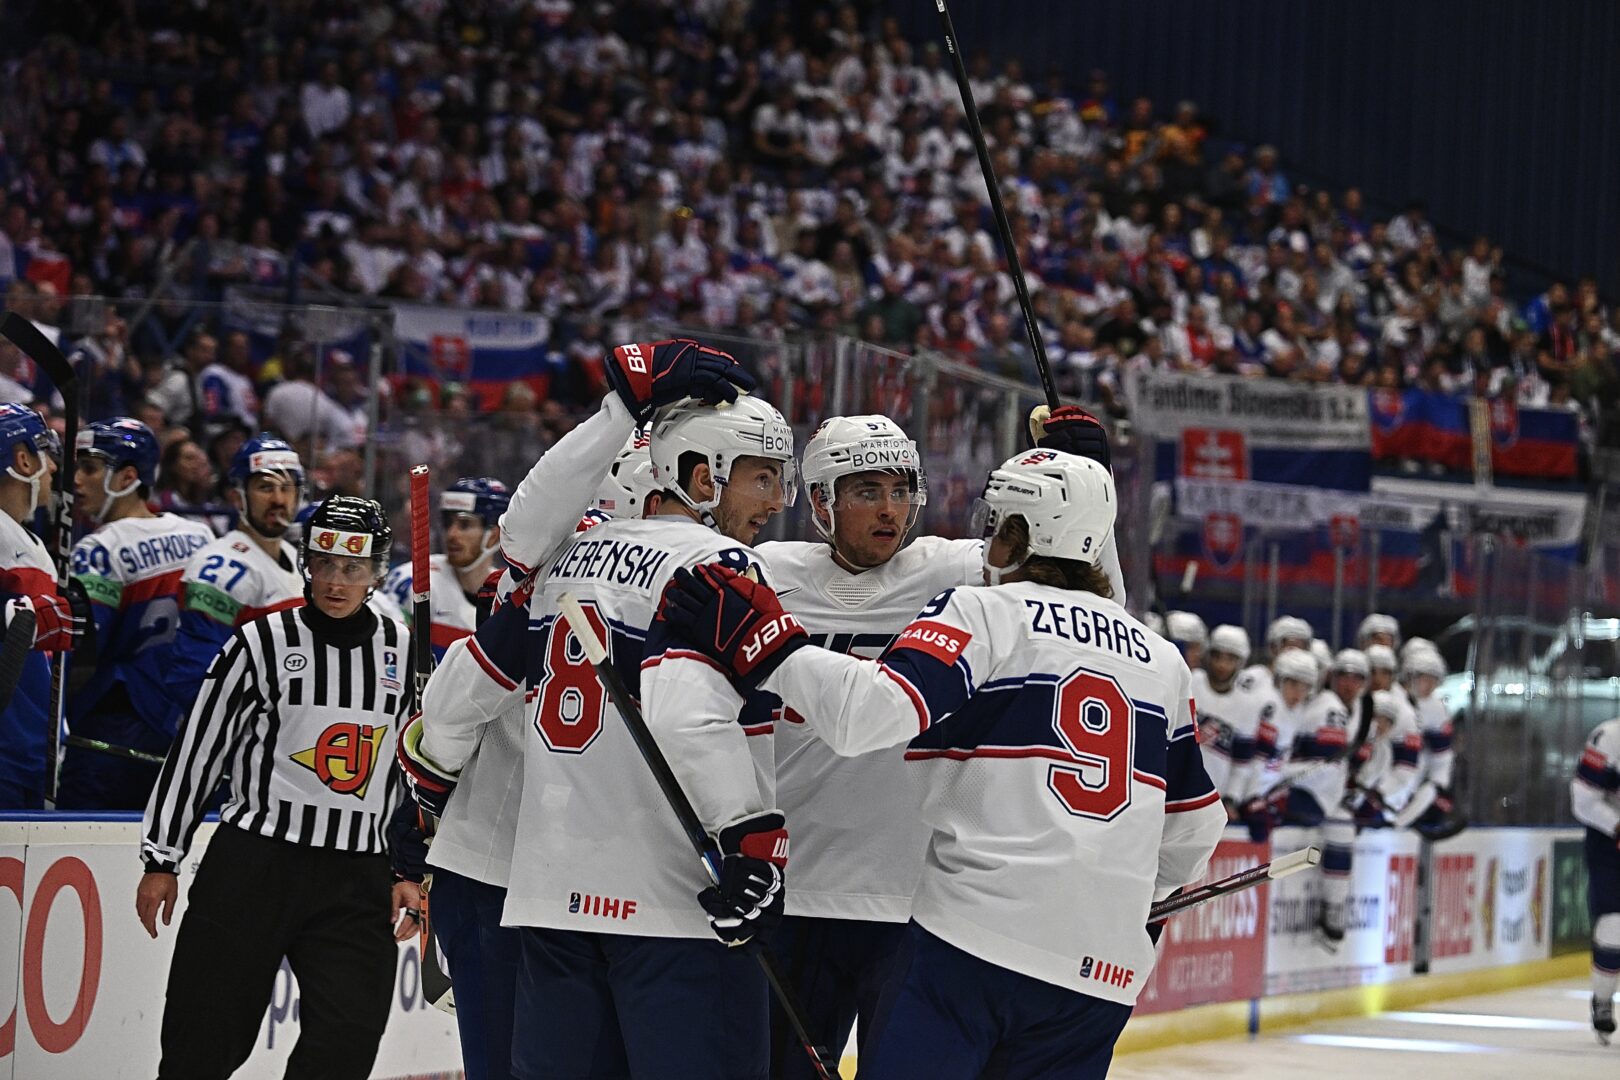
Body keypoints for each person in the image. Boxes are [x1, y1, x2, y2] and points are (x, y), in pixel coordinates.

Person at [658, 446, 1225, 1080]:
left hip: (975, 941)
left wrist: (764, 643)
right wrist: (1117, 908)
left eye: (998, 523)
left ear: (1021, 533)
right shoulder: (1161, 658)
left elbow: (865, 716)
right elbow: (1195, 832)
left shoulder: (984, 610)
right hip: (1100, 976)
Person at [408, 338, 769, 1079]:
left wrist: (428, 777)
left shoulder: (552, 569)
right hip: (509, 866)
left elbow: (444, 716)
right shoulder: (644, 570)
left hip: (543, 874)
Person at [138, 496, 419, 1079]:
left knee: (348, 1040)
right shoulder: (258, 642)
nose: (336, 581)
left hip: (356, 877)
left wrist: (409, 868)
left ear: (375, 573)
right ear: (306, 563)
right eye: (324, 563)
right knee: (202, 1039)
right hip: (254, 865)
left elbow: (416, 766)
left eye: (353, 568)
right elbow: (199, 748)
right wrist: (162, 855)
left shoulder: (404, 652)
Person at [58, 419, 213, 808]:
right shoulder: (200, 535)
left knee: (82, 835)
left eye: (90, 468)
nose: (76, 480)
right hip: (185, 722)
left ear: (128, 477)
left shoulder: (99, 549)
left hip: (113, 726)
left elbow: (79, 653)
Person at [158, 434, 306, 727]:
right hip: (241, 736)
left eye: (287, 488)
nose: (279, 500)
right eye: (265, 487)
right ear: (237, 496)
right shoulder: (218, 569)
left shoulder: (296, 558)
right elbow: (195, 680)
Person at [1251, 648, 1366, 949]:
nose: (1300, 687)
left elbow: (1325, 769)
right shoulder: (1289, 705)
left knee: (1341, 829)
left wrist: (1276, 776)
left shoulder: (1328, 708)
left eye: (1307, 680)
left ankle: (1335, 909)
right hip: (1288, 788)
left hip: (1314, 796)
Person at [0, 402, 82, 808]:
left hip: (31, 756)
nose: (52, 468)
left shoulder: (24, 540)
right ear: (23, 460)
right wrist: (19, 619)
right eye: (45, 454)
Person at [381, 476, 510, 662]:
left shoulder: (509, 595)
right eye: (448, 523)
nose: (451, 534)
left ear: (494, 535)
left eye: (464, 524)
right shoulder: (414, 580)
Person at [1571, 715, 1620, 1044]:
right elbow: (1583, 800)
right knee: (1614, 925)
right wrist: (1616, 825)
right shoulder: (1608, 738)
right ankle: (1602, 999)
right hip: (1609, 843)